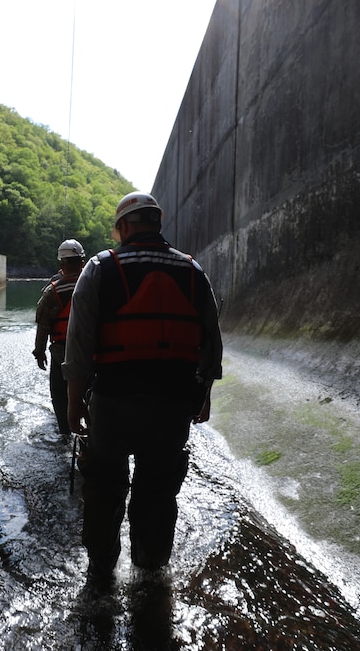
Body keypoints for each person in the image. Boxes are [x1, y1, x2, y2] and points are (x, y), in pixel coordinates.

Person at [62, 192, 223, 584]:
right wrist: (204, 397)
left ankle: (101, 574)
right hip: (171, 406)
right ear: (156, 222)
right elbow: (211, 344)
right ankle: (150, 575)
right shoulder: (192, 270)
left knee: (104, 487)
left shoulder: (101, 267)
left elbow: (79, 345)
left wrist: (72, 404)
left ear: (126, 226)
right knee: (157, 490)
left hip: (114, 402)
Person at [33, 238, 86, 436]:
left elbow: (43, 326)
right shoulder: (96, 285)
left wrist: (39, 352)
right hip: (91, 354)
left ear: (61, 264)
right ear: (82, 262)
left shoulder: (52, 292)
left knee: (59, 395)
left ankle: (65, 433)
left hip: (60, 353)